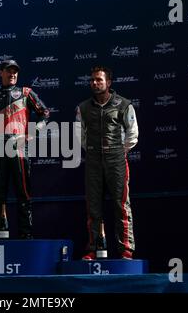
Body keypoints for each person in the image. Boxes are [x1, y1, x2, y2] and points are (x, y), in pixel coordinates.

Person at [0, 59, 50, 239]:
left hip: (19, 147)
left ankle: (26, 233)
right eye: (8, 70)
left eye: (15, 71)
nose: (13, 74)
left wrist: (32, 133)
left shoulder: (26, 93)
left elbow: (45, 114)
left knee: (23, 192)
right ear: (1, 73)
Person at [76, 66, 138, 260]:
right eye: (93, 80)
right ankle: (94, 248)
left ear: (108, 83)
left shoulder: (123, 104)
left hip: (117, 160)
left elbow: (133, 133)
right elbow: (80, 136)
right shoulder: (83, 107)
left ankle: (126, 249)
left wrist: (119, 151)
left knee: (121, 205)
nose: (95, 83)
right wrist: (94, 151)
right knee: (93, 207)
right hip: (93, 160)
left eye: (99, 80)